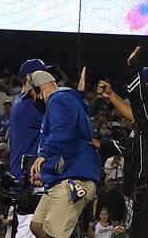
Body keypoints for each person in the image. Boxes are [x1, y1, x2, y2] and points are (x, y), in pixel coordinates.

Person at [96, 47, 148, 236]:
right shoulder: (147, 120)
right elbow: (135, 113)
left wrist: (132, 66)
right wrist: (112, 96)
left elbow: (139, 97)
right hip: (147, 188)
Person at [27, 69, 100, 238]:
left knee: (54, 235)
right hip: (63, 176)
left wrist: (42, 155)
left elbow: (62, 132)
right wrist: (45, 173)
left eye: (32, 95)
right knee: (37, 226)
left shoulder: (59, 100)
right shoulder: (64, 99)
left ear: (39, 89)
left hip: (74, 179)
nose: (33, 101)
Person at [9, 58, 52, 238]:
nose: (48, 80)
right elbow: (61, 118)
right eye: (43, 75)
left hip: (29, 177)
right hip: (29, 180)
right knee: (28, 231)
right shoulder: (28, 105)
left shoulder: (23, 102)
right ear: (29, 78)